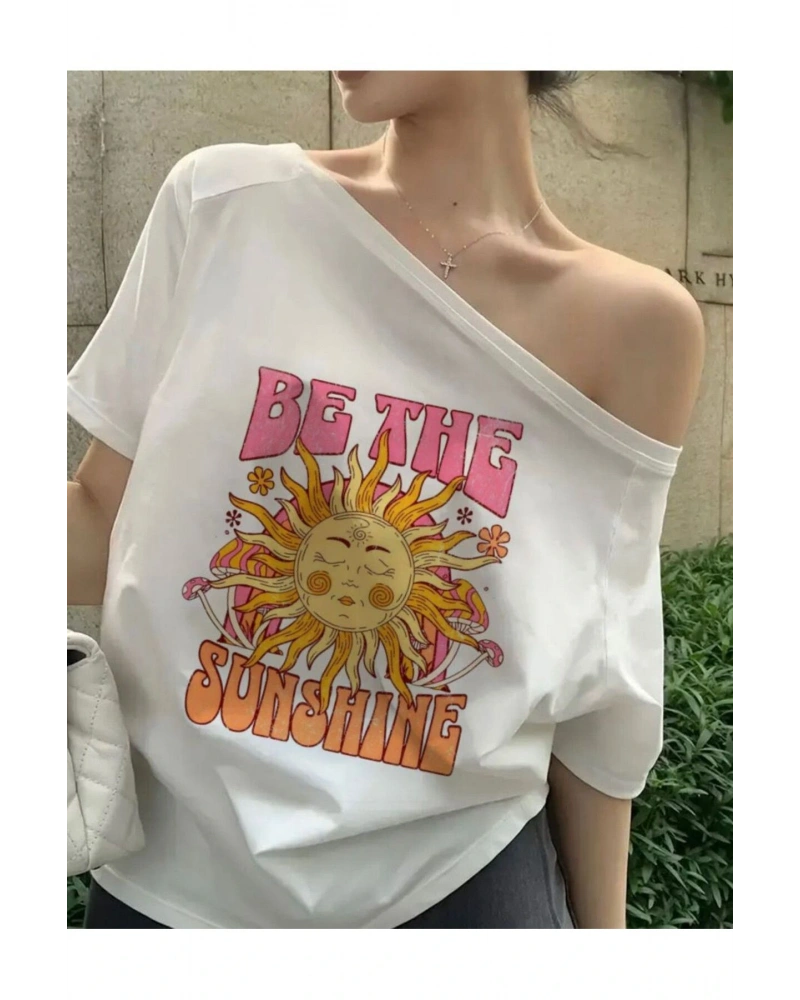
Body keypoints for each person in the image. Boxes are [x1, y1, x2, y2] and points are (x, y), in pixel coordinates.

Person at [66, 70, 705, 929]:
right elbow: (99, 520)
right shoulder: (225, 204)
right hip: (170, 884)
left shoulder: (637, 325)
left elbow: (605, 682)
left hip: (459, 890)